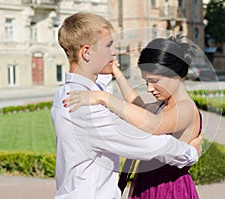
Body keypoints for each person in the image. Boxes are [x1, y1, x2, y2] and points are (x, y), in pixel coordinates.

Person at [51, 12, 202, 199]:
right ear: (87, 52)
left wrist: (110, 82)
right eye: (108, 45)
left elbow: (138, 111)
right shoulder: (84, 104)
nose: (114, 52)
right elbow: (147, 142)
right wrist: (192, 153)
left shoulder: (65, 94)